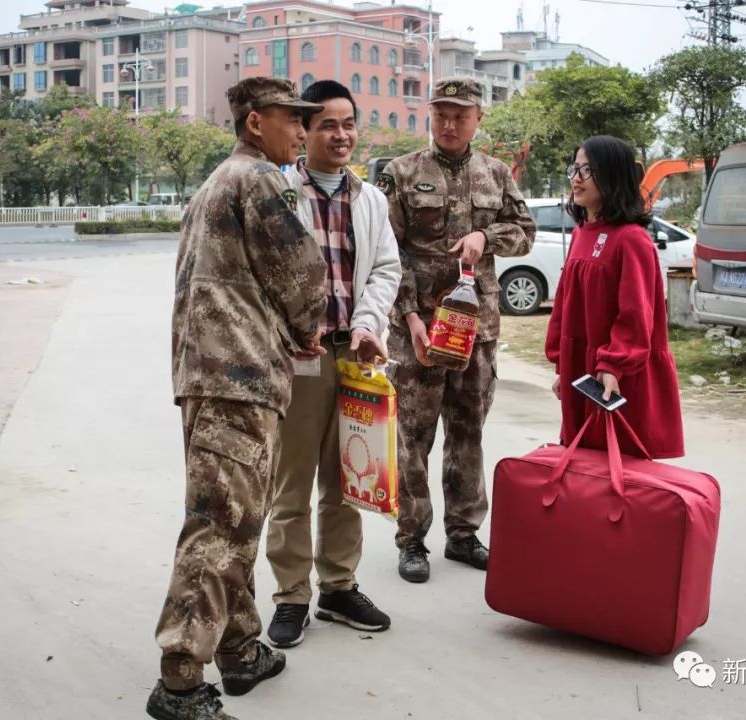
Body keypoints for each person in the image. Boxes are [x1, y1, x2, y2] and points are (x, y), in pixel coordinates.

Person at [147, 77, 328, 720]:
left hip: (210, 374)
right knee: (219, 526)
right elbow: (302, 275)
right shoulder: (262, 181)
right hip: (239, 378)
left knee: (235, 514)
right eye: (292, 119)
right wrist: (310, 328)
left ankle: (242, 648)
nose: (302, 131)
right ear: (256, 123)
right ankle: (180, 681)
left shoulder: (215, 183)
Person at [378, 77, 536, 584]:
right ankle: (413, 540)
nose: (449, 123)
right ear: (430, 115)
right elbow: (387, 254)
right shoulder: (401, 173)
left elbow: (525, 233)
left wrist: (484, 235)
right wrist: (409, 318)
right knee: (414, 438)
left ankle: (463, 534)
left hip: (475, 332)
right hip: (418, 329)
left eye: (460, 115)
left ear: (477, 119)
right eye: (441, 113)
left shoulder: (495, 173)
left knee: (468, 433)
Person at [264, 80, 401, 647]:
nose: (341, 135)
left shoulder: (369, 199)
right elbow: (262, 275)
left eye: (348, 124)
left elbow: (385, 270)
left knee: (351, 475)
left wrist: (369, 324)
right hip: (300, 356)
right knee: (292, 484)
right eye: (327, 125)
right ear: (305, 130)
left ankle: (338, 586)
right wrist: (289, 332)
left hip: (353, 354)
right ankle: (291, 595)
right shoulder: (277, 192)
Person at [544, 135, 684, 459]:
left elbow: (636, 315)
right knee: (584, 467)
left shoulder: (632, 240)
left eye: (587, 170)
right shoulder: (581, 234)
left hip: (616, 376)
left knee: (621, 472)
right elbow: (565, 304)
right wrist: (563, 367)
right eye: (574, 169)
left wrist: (612, 365)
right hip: (583, 371)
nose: (576, 178)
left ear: (612, 175)